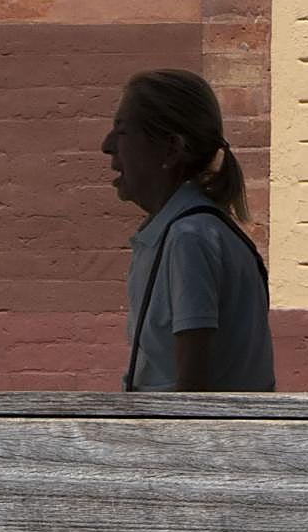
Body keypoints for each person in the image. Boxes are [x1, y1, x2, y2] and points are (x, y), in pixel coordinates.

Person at [101, 69, 274, 392]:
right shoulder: (188, 231)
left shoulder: (189, 237)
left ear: (170, 149)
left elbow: (192, 392)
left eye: (122, 132)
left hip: (196, 439)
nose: (107, 146)